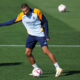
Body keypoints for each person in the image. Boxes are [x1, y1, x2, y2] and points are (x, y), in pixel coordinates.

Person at [0, 3, 63, 77]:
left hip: (40, 35)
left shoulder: (36, 12)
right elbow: (11, 22)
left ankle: (58, 68)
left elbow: (45, 22)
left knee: (45, 51)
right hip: (31, 36)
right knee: (27, 53)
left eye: (26, 11)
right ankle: (36, 68)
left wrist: (46, 35)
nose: (25, 13)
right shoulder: (22, 16)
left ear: (29, 8)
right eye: (23, 11)